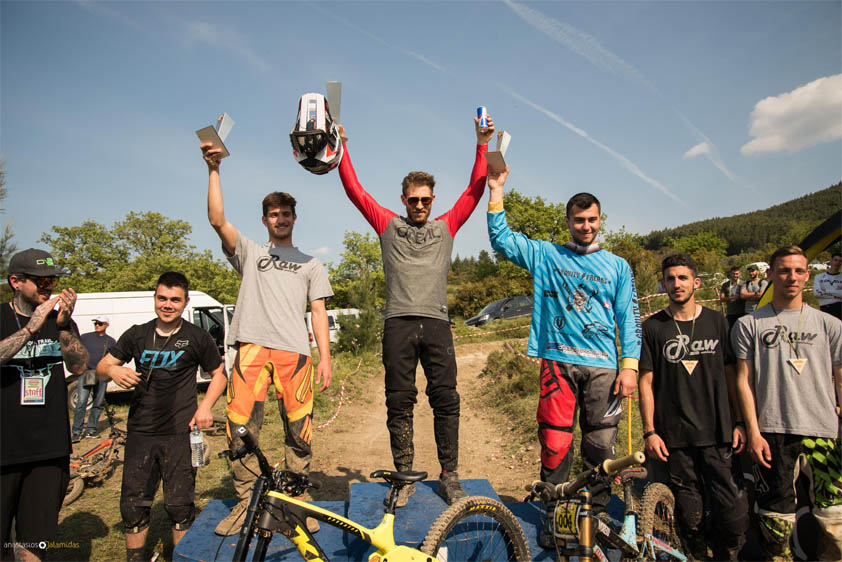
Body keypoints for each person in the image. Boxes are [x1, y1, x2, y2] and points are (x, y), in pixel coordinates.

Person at [334, 115, 494, 506]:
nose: (420, 205)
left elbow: (474, 192)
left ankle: (450, 475)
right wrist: (341, 148)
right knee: (399, 400)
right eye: (413, 199)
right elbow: (355, 191)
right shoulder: (387, 225)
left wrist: (481, 143)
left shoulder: (445, 227)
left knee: (446, 399)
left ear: (432, 201)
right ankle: (404, 476)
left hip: (437, 323)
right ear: (403, 200)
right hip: (398, 325)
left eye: (425, 200)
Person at [485, 166, 640, 546]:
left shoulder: (618, 266)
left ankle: (597, 513)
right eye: (578, 220)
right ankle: (554, 514)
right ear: (567, 221)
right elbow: (502, 240)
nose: (586, 226)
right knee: (555, 443)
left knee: (601, 445)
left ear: (600, 220)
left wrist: (631, 366)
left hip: (605, 368)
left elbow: (629, 317)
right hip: (557, 361)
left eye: (592, 220)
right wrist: (496, 189)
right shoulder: (546, 255)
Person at [201, 142, 333, 535]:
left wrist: (324, 357)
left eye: (286, 214)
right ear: (264, 220)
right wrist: (213, 170)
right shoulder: (249, 252)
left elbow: (319, 312)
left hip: (295, 355)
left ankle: (296, 501)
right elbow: (216, 219)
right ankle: (246, 501)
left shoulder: (312, 263)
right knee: (240, 427)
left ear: (295, 218)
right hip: (251, 348)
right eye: (274, 214)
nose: (281, 219)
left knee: (300, 429)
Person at [97, 272, 226, 562]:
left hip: (180, 432)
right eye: (162, 298)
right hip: (141, 432)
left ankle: (179, 557)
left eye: (175, 300)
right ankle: (136, 558)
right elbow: (101, 367)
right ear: (155, 298)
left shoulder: (197, 337)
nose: (168, 305)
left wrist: (205, 407)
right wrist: (114, 371)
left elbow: (219, 375)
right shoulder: (137, 334)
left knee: (179, 505)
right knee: (133, 504)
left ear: (185, 302)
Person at [732, 245, 842, 561]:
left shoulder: (829, 325)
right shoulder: (749, 325)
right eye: (783, 270)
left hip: (824, 432)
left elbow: (840, 377)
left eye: (797, 271)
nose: (790, 277)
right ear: (770, 275)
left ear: (808, 276)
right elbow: (743, 381)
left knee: (835, 524)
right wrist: (753, 431)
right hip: (772, 433)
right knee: (774, 526)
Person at [638, 253, 748, 560]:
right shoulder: (653, 328)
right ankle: (696, 555)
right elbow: (645, 382)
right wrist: (650, 432)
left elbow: (731, 376)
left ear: (696, 282)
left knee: (731, 509)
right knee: (689, 513)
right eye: (670, 279)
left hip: (719, 431)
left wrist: (739, 422)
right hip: (675, 437)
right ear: (663, 284)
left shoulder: (717, 322)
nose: (676, 284)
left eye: (683, 278)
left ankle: (728, 554)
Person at [1, 249, 88, 562]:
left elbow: (79, 367)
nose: (49, 287)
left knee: (36, 542)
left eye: (52, 280)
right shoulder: (1, 317)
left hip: (49, 450)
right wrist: (30, 329)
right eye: (40, 281)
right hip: (5, 450)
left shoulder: (61, 322)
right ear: (16, 281)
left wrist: (63, 327)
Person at [71, 315, 116, 442]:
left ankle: (91, 430)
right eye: (95, 323)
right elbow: (75, 350)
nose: (97, 325)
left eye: (100, 323)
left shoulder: (111, 341)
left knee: (98, 403)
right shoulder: (85, 337)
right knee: (81, 403)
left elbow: (115, 358)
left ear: (106, 325)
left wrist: (110, 372)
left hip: (102, 375)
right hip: (86, 373)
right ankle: (76, 432)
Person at [814, 252, 841, 320]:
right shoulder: (819, 277)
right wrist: (836, 294)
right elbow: (817, 293)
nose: (837, 263)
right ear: (831, 260)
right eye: (835, 260)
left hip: (839, 309)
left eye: (840, 261)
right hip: (824, 308)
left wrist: (826, 291)